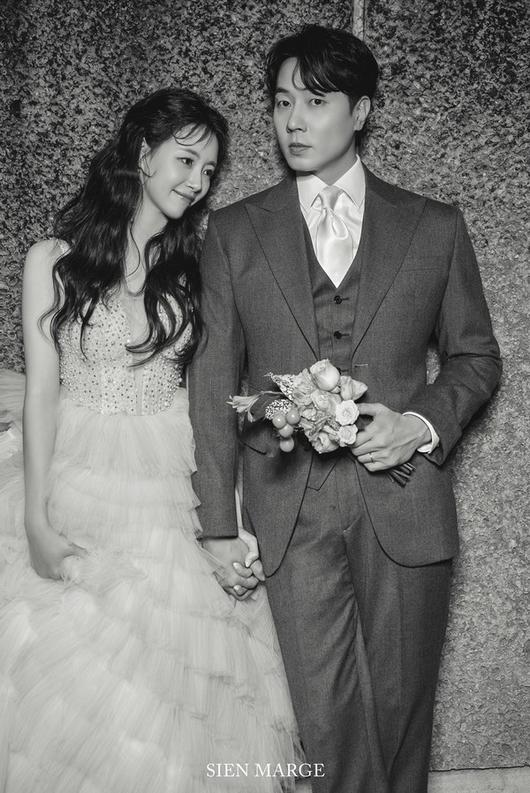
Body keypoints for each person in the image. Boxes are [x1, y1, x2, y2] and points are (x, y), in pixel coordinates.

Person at [188, 25, 502, 793]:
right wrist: (219, 524)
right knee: (325, 725)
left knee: (400, 719)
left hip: (405, 499)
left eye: (316, 101)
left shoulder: (435, 225)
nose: (293, 120)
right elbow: (212, 379)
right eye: (281, 102)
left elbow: (476, 357)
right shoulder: (233, 231)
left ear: (360, 111)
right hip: (286, 506)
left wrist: (418, 424)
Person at [0, 87, 302, 792]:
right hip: (76, 473)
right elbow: (41, 394)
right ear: (143, 152)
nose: (197, 182)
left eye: (209, 170)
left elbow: (208, 395)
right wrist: (36, 519)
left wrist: (225, 512)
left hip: (168, 478)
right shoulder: (54, 259)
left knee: (176, 680)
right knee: (74, 676)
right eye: (186, 160)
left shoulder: (194, 267)